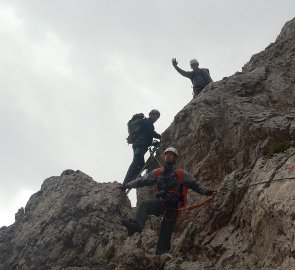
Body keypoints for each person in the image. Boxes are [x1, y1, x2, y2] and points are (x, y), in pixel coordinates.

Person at [121, 147, 216, 255]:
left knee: (164, 235)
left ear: (175, 158)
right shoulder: (157, 172)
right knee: (144, 205)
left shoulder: (181, 174)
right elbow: (142, 180)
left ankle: (162, 253)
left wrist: (207, 192)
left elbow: (195, 185)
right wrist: (127, 185)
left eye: (171, 154)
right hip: (160, 203)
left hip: (173, 207)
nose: (168, 156)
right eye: (166, 154)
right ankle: (137, 225)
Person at [123, 109, 162, 186]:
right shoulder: (147, 122)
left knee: (140, 164)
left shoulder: (146, 123)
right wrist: (159, 136)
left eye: (157, 117)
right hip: (140, 145)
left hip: (139, 145)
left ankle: (135, 179)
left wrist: (153, 142)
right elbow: (150, 133)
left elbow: (148, 135)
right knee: (136, 162)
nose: (155, 118)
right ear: (150, 115)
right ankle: (126, 182)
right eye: (154, 116)